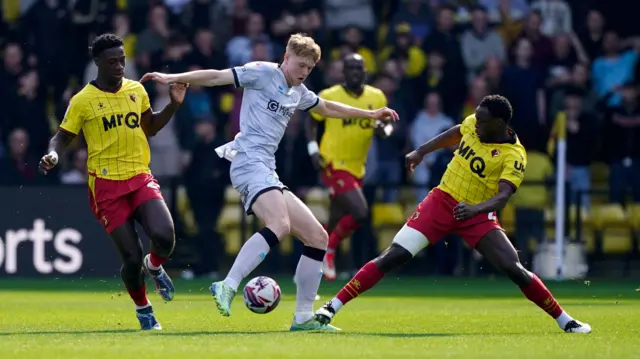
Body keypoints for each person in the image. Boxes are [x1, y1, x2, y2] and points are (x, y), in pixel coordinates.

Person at [140, 33, 398, 331]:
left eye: (310, 68)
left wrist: (371, 113)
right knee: (280, 225)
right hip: (248, 162)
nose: (303, 72)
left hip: (267, 169)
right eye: (300, 64)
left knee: (318, 237)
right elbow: (216, 77)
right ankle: (228, 283)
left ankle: (303, 318)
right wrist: (172, 76)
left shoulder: (298, 91)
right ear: (286, 58)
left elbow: (327, 108)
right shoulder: (263, 72)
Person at [314, 95, 592, 334]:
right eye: (477, 118)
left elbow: (504, 196)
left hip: (477, 213)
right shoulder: (475, 123)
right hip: (441, 201)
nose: (476, 123)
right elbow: (458, 131)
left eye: (482, 121)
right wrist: (421, 151)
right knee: (394, 255)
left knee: (513, 268)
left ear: (500, 124)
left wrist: (475, 210)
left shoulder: (514, 155)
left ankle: (565, 321)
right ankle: (331, 307)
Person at [39, 34, 187, 331]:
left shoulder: (136, 91)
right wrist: (52, 154)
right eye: (112, 62)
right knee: (131, 257)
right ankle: (144, 309)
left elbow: (151, 128)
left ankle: (155, 265)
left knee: (165, 235)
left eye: (122, 60)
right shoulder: (83, 100)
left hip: (139, 175)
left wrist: (172, 106)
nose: (119, 66)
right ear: (97, 63)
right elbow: (62, 136)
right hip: (106, 186)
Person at [305, 53, 392, 281]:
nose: (355, 72)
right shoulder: (329, 95)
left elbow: (386, 126)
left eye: (358, 68)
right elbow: (311, 121)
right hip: (332, 162)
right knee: (360, 212)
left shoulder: (377, 96)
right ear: (342, 72)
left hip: (358, 166)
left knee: (336, 217)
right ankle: (329, 250)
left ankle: (311, 258)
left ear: (365, 71)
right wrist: (313, 149)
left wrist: (385, 130)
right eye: (350, 68)